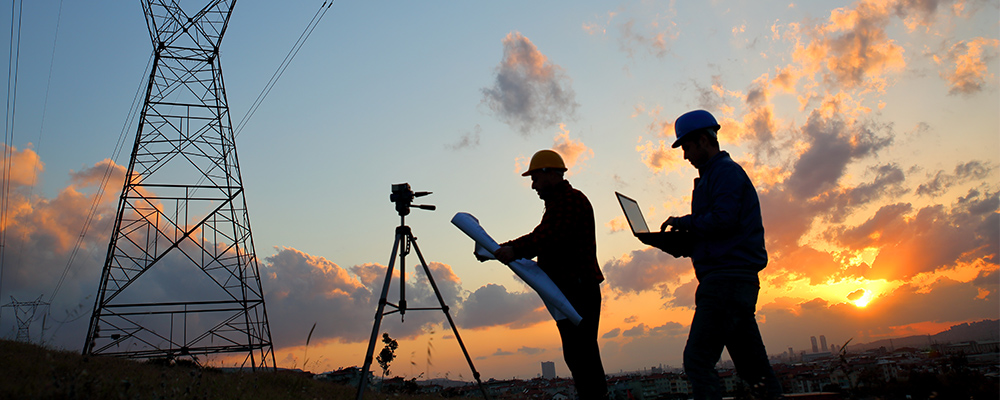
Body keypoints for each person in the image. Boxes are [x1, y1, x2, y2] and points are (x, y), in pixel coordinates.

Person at [658, 110, 783, 399]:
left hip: (725, 283)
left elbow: (723, 220)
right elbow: (720, 232)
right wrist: (680, 245)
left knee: (698, 361)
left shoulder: (725, 172)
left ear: (703, 140)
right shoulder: (713, 176)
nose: (685, 155)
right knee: (755, 372)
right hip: (734, 281)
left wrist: (684, 222)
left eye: (687, 147)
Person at [492, 149, 609, 399]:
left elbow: (547, 238)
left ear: (551, 174)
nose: (533, 186)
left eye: (535, 178)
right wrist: (506, 249)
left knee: (582, 355)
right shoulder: (560, 204)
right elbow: (543, 236)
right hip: (570, 290)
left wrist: (510, 249)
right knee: (578, 355)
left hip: (578, 289)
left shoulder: (571, 201)